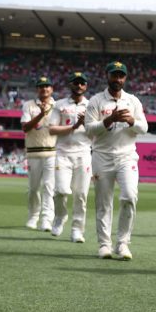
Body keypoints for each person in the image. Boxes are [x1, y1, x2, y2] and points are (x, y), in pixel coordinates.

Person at [85, 61, 148, 260]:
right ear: (107, 76)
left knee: (129, 196)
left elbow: (144, 128)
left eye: (121, 75)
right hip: (102, 156)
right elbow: (88, 129)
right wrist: (109, 120)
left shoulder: (133, 101)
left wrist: (131, 121)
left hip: (127, 156)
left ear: (125, 78)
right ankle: (104, 244)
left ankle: (122, 243)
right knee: (104, 202)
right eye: (114, 75)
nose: (117, 79)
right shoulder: (96, 101)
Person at [48, 72, 92, 243]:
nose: (79, 86)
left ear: (86, 86)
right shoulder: (59, 104)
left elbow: (97, 131)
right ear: (70, 85)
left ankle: (77, 230)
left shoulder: (91, 105)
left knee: (81, 194)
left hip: (83, 153)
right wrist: (74, 126)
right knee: (61, 191)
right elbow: (52, 129)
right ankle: (60, 216)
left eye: (82, 83)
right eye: (76, 83)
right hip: (63, 153)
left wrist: (87, 124)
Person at [20, 76, 57, 231]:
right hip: (34, 152)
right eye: (41, 86)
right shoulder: (28, 105)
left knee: (49, 187)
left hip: (52, 152)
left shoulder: (58, 106)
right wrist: (41, 114)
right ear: (37, 89)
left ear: (52, 89)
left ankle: (47, 219)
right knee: (33, 188)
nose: (44, 88)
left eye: (47, 86)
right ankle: (33, 216)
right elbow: (25, 128)